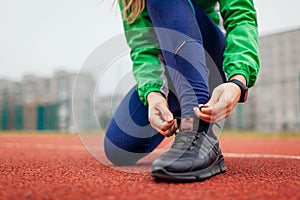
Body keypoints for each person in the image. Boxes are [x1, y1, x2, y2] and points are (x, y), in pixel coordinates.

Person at [104, 0, 259, 181]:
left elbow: (241, 16)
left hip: (210, 57)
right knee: (119, 147)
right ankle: (182, 103)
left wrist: (238, 79)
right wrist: (154, 94)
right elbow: (143, 46)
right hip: (171, 66)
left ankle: (197, 129)